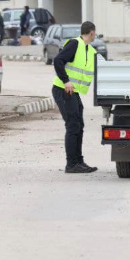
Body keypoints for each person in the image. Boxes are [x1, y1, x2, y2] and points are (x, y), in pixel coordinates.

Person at [52, 20, 98, 174]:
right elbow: (58, 60)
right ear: (91, 33)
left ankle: (79, 161)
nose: (95, 35)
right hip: (62, 89)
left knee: (79, 124)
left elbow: (101, 65)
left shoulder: (90, 50)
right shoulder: (74, 44)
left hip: (73, 92)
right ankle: (71, 164)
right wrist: (66, 81)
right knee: (73, 125)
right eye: (95, 33)